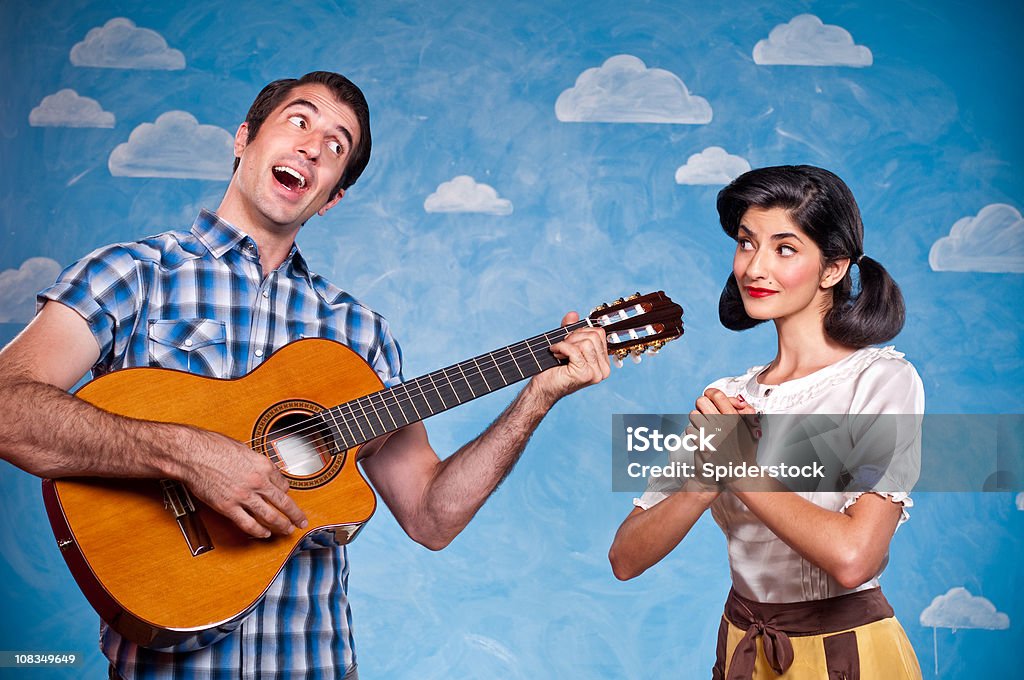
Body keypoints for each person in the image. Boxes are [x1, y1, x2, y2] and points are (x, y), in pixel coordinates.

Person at [0, 71, 610, 679]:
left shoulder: (359, 335)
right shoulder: (132, 274)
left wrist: (538, 396)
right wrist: (187, 455)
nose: (314, 146)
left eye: (336, 145)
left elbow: (431, 517)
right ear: (244, 139)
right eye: (299, 120)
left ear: (332, 195)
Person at [609, 165, 923, 679]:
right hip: (743, 650)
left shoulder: (882, 380)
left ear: (834, 268)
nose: (755, 268)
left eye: (785, 248)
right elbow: (626, 558)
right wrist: (705, 479)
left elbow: (854, 558)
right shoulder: (728, 397)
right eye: (746, 243)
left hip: (847, 656)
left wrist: (739, 468)